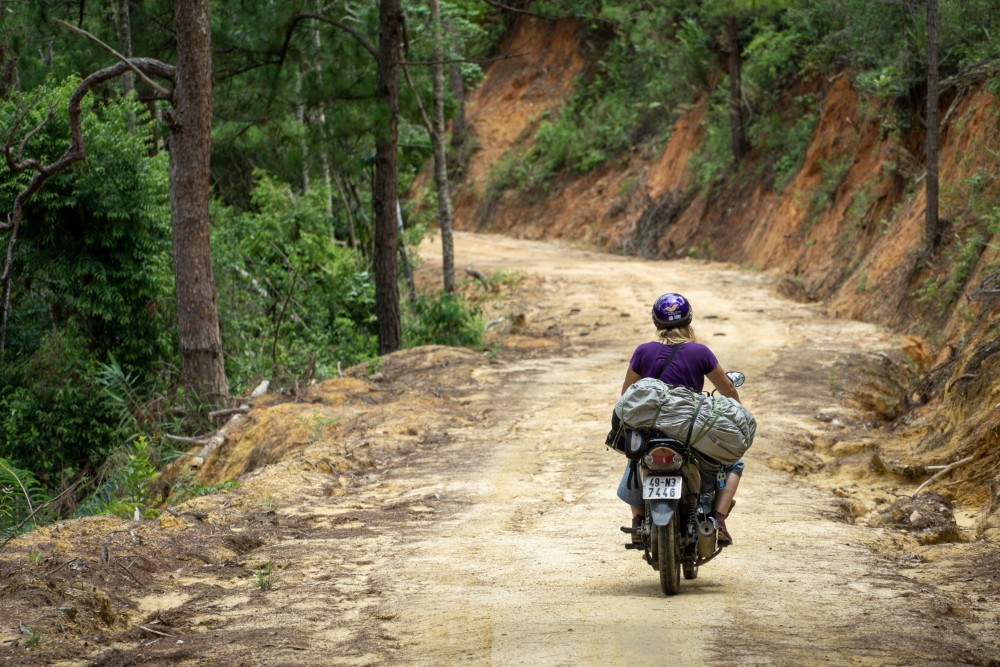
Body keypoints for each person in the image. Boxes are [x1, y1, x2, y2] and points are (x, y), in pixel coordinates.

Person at [617, 292, 744, 546]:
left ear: (656, 322)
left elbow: (627, 394)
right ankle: (718, 519)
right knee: (733, 464)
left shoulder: (643, 351)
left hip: (652, 430)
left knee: (636, 459)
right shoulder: (700, 352)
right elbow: (728, 389)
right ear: (689, 320)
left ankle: (638, 519)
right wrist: (737, 410)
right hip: (690, 431)